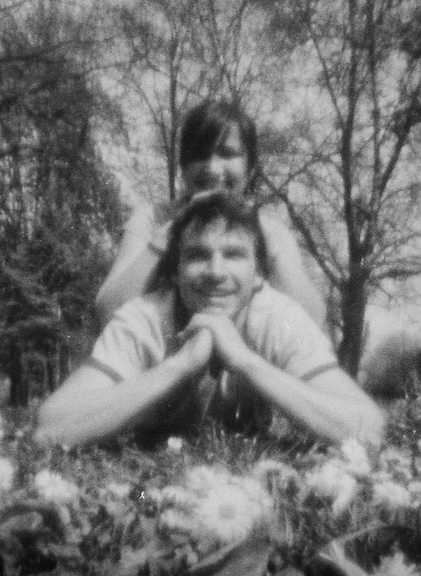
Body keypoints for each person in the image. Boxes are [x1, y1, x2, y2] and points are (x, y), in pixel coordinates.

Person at [36, 191, 384, 448]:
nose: (216, 272)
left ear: (259, 274)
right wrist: (180, 366)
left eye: (233, 255)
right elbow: (51, 427)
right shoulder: (144, 318)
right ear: (174, 273)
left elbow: (368, 428)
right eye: (198, 255)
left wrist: (246, 361)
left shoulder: (279, 318)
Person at [95, 100, 327, 328]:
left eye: (227, 153)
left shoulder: (272, 231)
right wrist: (172, 230)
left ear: (250, 169)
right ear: (183, 167)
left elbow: (312, 322)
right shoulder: (152, 220)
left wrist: (264, 238)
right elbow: (108, 311)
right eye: (199, 155)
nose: (212, 168)